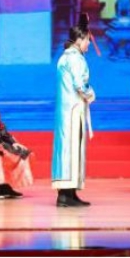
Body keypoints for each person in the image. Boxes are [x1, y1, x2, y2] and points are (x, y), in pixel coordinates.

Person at [52, 14, 95, 207]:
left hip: (65, 111)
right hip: (73, 110)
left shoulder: (64, 57)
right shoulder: (75, 59)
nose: (89, 44)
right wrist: (90, 94)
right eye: (87, 40)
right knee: (72, 149)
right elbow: (80, 85)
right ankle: (66, 195)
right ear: (79, 39)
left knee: (67, 149)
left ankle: (68, 193)